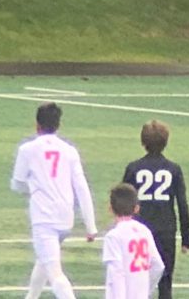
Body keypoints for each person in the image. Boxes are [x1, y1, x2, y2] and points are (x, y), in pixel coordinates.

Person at [11, 102, 98, 299]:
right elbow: (81, 187)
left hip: (44, 218)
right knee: (44, 261)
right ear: (58, 125)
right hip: (65, 218)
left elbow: (17, 183)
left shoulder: (28, 150)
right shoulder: (69, 150)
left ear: (37, 125)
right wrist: (90, 225)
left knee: (55, 274)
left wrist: (33, 188)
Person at [122, 120, 189, 299]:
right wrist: (186, 238)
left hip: (139, 230)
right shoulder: (174, 169)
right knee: (165, 281)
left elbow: (123, 200)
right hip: (166, 230)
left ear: (143, 141)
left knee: (137, 279)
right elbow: (182, 204)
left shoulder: (133, 168)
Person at [102, 183, 165, 299]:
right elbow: (158, 266)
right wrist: (146, 291)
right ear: (136, 208)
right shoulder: (144, 231)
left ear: (110, 208)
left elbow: (116, 273)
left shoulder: (113, 236)